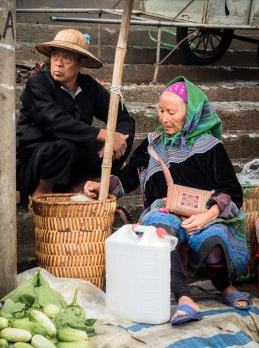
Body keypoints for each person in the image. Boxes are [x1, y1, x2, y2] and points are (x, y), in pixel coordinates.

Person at [84, 78, 252, 325]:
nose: (164, 118)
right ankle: (184, 299)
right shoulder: (154, 143)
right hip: (165, 210)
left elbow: (231, 190)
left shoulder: (209, 146)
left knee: (214, 241)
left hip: (203, 213)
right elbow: (130, 175)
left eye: (171, 112)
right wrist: (104, 185)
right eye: (161, 111)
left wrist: (206, 215)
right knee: (159, 233)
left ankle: (224, 287)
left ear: (191, 113)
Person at [17, 28, 136, 203]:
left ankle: (78, 185)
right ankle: (41, 193)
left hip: (71, 166)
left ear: (82, 64)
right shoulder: (38, 83)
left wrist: (117, 139)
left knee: (122, 139)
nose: (58, 63)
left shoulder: (89, 86)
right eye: (55, 56)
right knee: (69, 142)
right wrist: (106, 135)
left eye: (66, 58)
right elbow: (55, 123)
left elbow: (123, 117)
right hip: (35, 164)